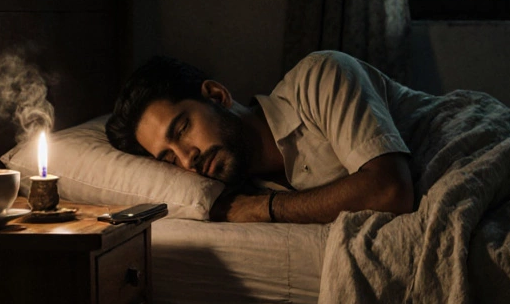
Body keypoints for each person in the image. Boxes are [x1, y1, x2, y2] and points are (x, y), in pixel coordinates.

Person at [106, 50, 415, 224]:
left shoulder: (319, 78)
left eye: (182, 129)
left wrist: (264, 207)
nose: (187, 160)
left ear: (216, 95)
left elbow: (390, 190)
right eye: (170, 157)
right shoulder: (237, 189)